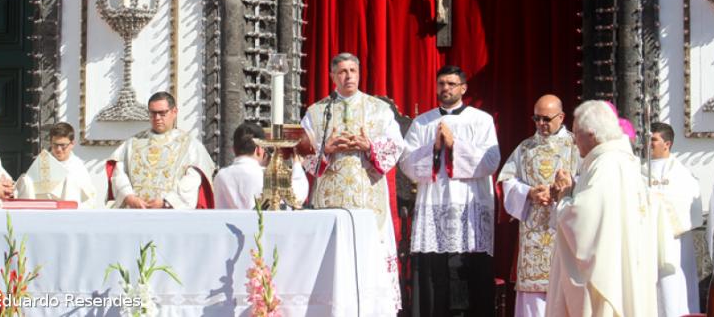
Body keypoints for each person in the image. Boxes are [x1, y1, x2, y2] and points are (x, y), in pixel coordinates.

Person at [299, 52, 404, 314]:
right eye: (343, 71)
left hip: (368, 197)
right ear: (332, 76)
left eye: (353, 71)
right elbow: (301, 153)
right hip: (330, 200)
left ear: (359, 73)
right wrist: (327, 148)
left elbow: (396, 146)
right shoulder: (317, 111)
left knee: (369, 258)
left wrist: (370, 146)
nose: (348, 76)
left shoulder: (379, 110)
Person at [399, 65, 500, 317]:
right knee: (436, 276)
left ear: (463, 88)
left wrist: (455, 144)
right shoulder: (423, 122)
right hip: (434, 206)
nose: (446, 88)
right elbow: (406, 163)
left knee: (468, 275)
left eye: (451, 84)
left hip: (470, 209)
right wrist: (433, 147)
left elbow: (491, 161)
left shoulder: (481, 120)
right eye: (441, 83)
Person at [546, 100, 656, 317]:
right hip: (623, 261)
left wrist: (565, 195)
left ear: (592, 134)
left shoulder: (606, 164)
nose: (574, 141)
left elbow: (582, 219)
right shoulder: (618, 161)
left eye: (576, 133)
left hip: (606, 270)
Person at [496, 95, 580, 317]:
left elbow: (589, 180)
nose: (541, 124)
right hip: (533, 233)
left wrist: (564, 187)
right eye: (536, 118)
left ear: (561, 117)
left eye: (546, 119)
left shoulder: (575, 144)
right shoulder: (525, 148)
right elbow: (508, 181)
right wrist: (529, 193)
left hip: (563, 229)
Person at [107, 91, 216, 209]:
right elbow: (119, 173)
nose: (157, 118)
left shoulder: (190, 145)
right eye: (153, 113)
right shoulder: (133, 142)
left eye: (162, 113)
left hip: (170, 214)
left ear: (174, 112)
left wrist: (167, 201)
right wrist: (129, 197)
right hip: (136, 212)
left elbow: (192, 179)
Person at [645, 121, 703, 317]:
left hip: (673, 239)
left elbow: (688, 199)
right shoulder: (641, 170)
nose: (649, 144)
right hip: (648, 238)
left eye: (653, 140)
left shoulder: (681, 173)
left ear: (667, 144)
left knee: (672, 285)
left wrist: (656, 198)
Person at [213, 121, 309, 209]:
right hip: (259, 226)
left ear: (233, 149)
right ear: (259, 149)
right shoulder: (266, 175)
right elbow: (297, 196)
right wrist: (297, 164)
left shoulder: (220, 176)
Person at [16, 122, 104, 208]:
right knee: (26, 179)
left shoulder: (77, 168)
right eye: (55, 145)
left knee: (70, 179)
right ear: (50, 143)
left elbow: (87, 199)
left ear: (72, 144)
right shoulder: (43, 162)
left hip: (65, 214)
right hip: (40, 211)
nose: (58, 149)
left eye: (63, 145)